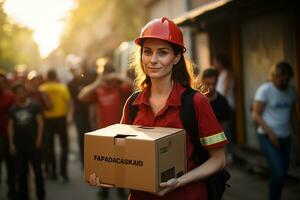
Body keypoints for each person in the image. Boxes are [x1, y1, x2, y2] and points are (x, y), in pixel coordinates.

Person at [88, 17, 227, 200]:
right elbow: (123, 158)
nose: (153, 60)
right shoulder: (133, 104)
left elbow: (218, 160)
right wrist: (108, 176)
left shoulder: (195, 102)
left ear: (176, 57)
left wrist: (179, 181)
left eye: (162, 53)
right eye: (147, 52)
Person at [79, 62, 132, 198]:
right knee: (104, 163)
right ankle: (104, 189)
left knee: (120, 163)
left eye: (110, 76)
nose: (109, 80)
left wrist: (118, 76)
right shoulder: (98, 89)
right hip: (103, 132)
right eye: (106, 76)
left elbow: (136, 87)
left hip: (121, 132)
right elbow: (82, 96)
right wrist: (98, 81)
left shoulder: (120, 88)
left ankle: (120, 188)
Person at [252, 62, 297, 200]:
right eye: (282, 79)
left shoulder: (291, 90)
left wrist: (297, 134)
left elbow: (293, 115)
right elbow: (256, 114)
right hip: (267, 136)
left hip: (286, 136)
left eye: (287, 80)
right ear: (274, 76)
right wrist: (271, 133)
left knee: (282, 173)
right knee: (278, 173)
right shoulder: (265, 90)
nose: (284, 82)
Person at [8, 83, 45, 200]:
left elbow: (40, 123)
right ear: (15, 95)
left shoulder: (34, 106)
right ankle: (24, 196)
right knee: (22, 173)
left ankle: (41, 195)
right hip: (19, 145)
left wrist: (39, 139)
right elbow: (10, 127)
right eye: (18, 92)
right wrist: (11, 144)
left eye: (22, 91)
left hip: (33, 144)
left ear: (26, 92)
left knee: (37, 171)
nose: (21, 94)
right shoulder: (13, 109)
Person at [39, 70, 72, 182]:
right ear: (56, 76)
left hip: (48, 120)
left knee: (50, 147)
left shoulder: (42, 88)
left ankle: (53, 173)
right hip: (61, 119)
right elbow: (69, 103)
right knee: (64, 146)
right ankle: (63, 173)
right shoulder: (62, 87)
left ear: (47, 77)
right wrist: (69, 117)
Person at [200, 68, 233, 162]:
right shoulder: (197, 100)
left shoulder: (222, 101)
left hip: (217, 145)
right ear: (202, 82)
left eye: (214, 84)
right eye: (208, 84)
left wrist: (225, 148)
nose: (211, 88)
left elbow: (225, 127)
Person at [0, 70, 17, 200]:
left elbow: (14, 115)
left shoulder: (10, 96)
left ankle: (12, 190)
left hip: (8, 136)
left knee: (11, 166)